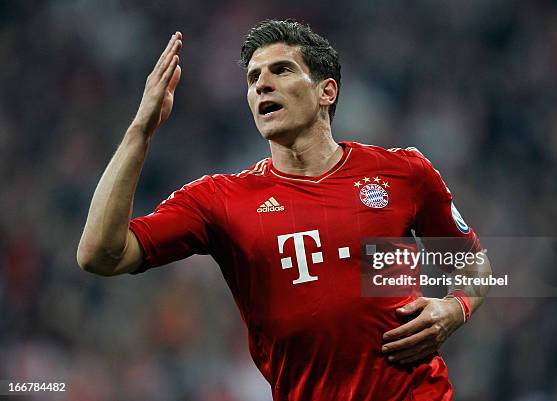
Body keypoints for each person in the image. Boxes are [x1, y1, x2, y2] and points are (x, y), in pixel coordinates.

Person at [77, 19, 492, 401]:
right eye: (253, 77)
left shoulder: (402, 174)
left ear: (326, 91)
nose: (262, 85)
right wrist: (140, 131)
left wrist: (454, 307)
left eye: (281, 70)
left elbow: (475, 265)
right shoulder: (220, 200)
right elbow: (99, 255)